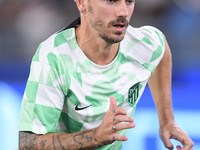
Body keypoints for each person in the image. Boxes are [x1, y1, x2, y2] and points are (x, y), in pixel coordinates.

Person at [18, 0, 194, 149]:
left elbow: (161, 49)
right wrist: (95, 137)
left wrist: (167, 120)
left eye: (129, 1)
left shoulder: (142, 45)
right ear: (81, 3)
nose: (123, 11)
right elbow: (28, 143)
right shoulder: (54, 58)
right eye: (111, 0)